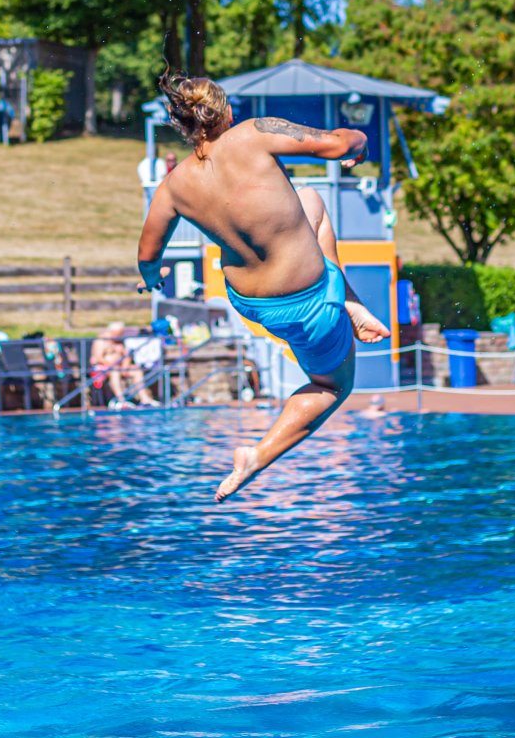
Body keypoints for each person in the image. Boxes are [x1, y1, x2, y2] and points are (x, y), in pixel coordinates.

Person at [136, 73, 387, 501]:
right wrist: (360, 141)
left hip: (252, 303)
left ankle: (347, 298)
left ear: (184, 126)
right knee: (332, 387)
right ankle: (258, 455)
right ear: (228, 112)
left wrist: (152, 280)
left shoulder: (174, 187)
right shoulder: (254, 132)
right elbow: (338, 144)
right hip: (306, 301)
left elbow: (146, 257)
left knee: (310, 200)